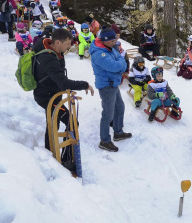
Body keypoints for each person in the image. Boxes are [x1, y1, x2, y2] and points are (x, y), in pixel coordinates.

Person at [33, 29, 94, 169]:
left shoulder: (56, 52)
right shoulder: (48, 58)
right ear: (58, 42)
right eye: (67, 44)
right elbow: (63, 82)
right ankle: (65, 160)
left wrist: (65, 89)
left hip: (52, 94)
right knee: (71, 122)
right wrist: (84, 85)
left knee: (53, 123)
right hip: (47, 98)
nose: (69, 46)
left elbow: (57, 79)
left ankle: (51, 155)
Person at [89, 27, 132, 152]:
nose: (115, 43)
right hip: (107, 86)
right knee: (107, 113)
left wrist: (120, 62)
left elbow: (121, 63)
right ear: (105, 40)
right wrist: (120, 61)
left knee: (120, 107)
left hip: (113, 84)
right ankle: (104, 140)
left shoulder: (108, 47)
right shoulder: (99, 53)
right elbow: (116, 66)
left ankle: (118, 132)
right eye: (113, 41)